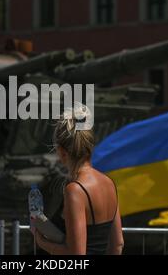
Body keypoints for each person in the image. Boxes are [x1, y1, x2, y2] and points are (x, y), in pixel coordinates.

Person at [33, 104, 124, 255]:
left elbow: (77, 254)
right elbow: (118, 244)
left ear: (62, 153)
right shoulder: (109, 183)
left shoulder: (75, 190)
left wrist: (42, 242)